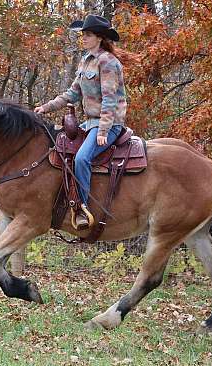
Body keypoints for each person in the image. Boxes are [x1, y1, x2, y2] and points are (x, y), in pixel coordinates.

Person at [35, 14, 127, 230]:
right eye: (83, 34)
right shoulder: (86, 60)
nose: (83, 38)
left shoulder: (108, 62)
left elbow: (110, 99)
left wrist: (104, 130)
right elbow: (72, 93)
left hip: (109, 124)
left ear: (99, 37)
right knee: (58, 146)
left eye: (87, 35)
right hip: (90, 123)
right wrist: (46, 107)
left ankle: (81, 209)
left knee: (83, 158)